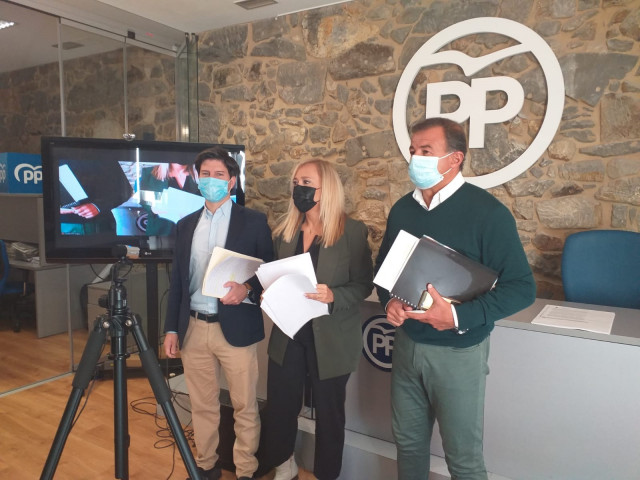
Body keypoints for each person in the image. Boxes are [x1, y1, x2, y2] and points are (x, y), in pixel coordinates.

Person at [375, 118, 536, 480]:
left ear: (455, 158)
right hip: (407, 346)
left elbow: (522, 287)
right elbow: (384, 267)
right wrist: (389, 302)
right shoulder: (402, 209)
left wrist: (458, 318)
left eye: (426, 151)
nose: (415, 158)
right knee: (409, 446)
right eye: (413, 151)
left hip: (459, 353)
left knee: (462, 459)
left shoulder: (488, 214)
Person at [163, 146, 274, 480]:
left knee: (244, 405)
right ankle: (206, 464)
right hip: (194, 327)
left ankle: (245, 469)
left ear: (232, 181)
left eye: (219, 175)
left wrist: (248, 288)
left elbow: (268, 269)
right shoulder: (185, 225)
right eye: (205, 174)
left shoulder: (253, 222)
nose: (211, 180)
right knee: (202, 404)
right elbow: (178, 282)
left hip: (236, 326)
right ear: (198, 179)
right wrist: (171, 329)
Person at [260, 159, 374, 480]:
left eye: (306, 183)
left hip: (331, 339)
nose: (299, 188)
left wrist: (334, 295)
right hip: (288, 334)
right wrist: (268, 293)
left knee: (329, 415)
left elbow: (364, 285)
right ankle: (284, 464)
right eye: (296, 182)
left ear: (326, 190)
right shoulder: (285, 231)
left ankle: (327, 474)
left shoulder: (351, 231)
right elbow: (275, 277)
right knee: (281, 406)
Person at [59, 158, 133, 235]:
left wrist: (98, 206)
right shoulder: (51, 157)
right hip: (63, 228)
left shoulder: (102, 155)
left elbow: (125, 191)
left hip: (101, 226)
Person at [139, 162, 200, 236]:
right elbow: (144, 200)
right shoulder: (149, 173)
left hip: (194, 234)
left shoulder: (202, 175)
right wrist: (153, 208)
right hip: (161, 234)